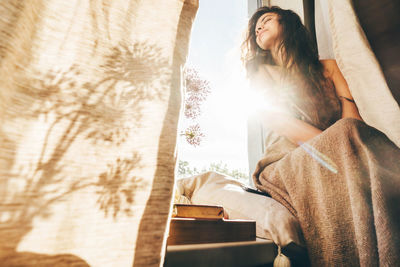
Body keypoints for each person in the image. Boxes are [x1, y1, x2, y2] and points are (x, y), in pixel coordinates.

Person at [242, 6, 400, 266]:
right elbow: (281, 123)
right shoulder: (260, 74)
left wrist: (341, 142)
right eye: (255, 28)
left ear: (288, 23)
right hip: (284, 158)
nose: (258, 28)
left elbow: (352, 119)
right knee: (347, 143)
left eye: (266, 20)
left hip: (341, 144)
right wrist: (335, 143)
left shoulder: (328, 68)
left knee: (372, 153)